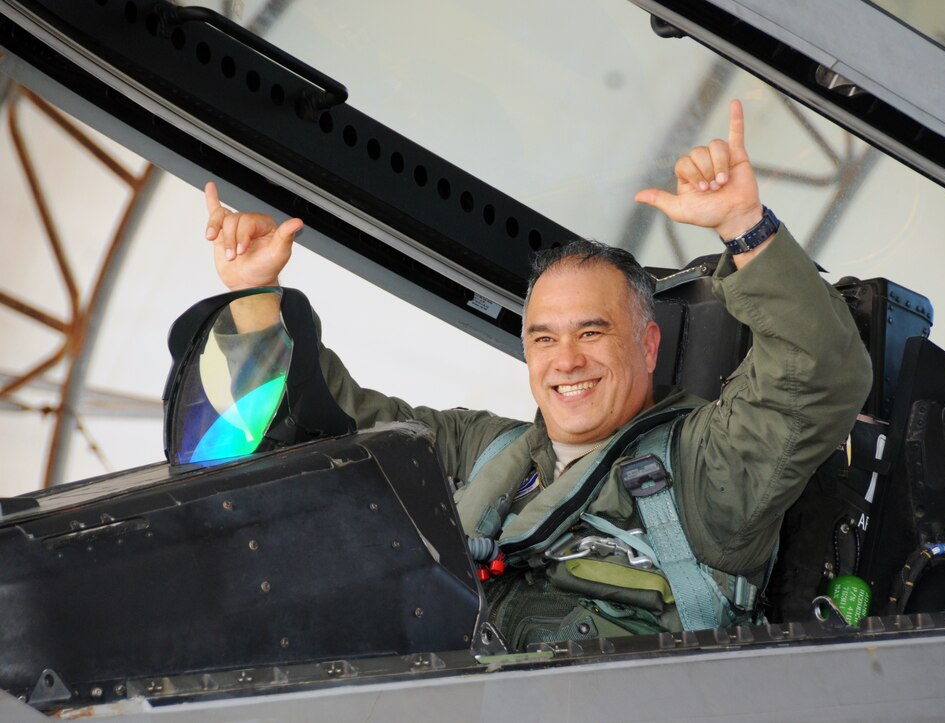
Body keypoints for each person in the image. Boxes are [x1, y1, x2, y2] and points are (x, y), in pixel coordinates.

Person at [203, 100, 871, 647]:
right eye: (544, 337)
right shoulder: (482, 451)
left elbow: (819, 373)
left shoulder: (706, 467)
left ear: (647, 344)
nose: (566, 360)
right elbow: (334, 438)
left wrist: (744, 226)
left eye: (591, 332)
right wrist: (258, 296)